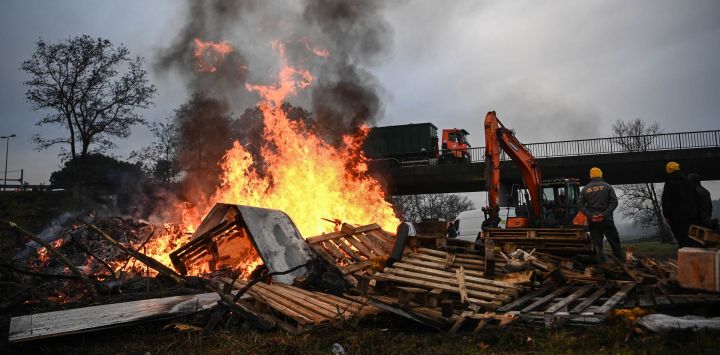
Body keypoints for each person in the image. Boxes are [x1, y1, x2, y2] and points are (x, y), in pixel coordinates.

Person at [578, 167, 623, 263]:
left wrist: (590, 215)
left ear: (591, 176)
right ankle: (621, 263)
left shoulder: (585, 189)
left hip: (593, 222)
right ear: (601, 175)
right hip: (607, 220)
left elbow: (580, 204)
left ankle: (599, 265)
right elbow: (614, 202)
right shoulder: (608, 187)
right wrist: (604, 215)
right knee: (614, 242)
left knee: (597, 245)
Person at [661, 162, 700, 247]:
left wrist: (666, 215)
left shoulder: (669, 182)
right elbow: (695, 198)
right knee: (690, 239)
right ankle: (692, 256)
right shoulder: (689, 182)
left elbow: (666, 200)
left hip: (676, 217)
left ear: (668, 170)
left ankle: (684, 255)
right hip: (691, 216)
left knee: (681, 238)